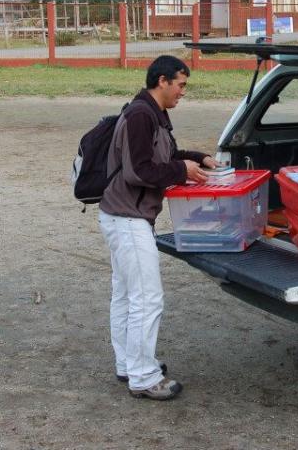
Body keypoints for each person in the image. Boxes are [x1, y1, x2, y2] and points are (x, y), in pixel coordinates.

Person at [98, 55, 218, 401]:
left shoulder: (153, 114)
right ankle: (143, 376)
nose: (183, 92)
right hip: (127, 218)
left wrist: (196, 157)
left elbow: (164, 156)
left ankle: (129, 364)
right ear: (162, 81)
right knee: (147, 299)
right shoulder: (140, 115)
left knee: (126, 295)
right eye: (180, 85)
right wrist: (182, 171)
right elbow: (140, 170)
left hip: (124, 216)